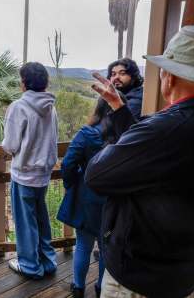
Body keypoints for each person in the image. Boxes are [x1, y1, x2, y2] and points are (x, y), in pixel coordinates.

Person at [86, 26, 194, 297]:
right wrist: (120, 110)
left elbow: (96, 175)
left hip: (144, 277)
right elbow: (155, 155)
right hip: (190, 266)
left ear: (170, 77)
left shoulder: (169, 128)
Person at [57, 93, 126, 298]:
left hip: (87, 197)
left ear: (99, 108)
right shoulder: (128, 135)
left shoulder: (87, 133)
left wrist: (72, 185)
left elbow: (68, 163)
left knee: (83, 245)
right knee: (106, 249)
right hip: (115, 200)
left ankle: (78, 288)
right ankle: (100, 289)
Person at [3, 62, 58, 279]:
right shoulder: (50, 106)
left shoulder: (19, 107)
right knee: (41, 218)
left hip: (24, 174)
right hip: (43, 174)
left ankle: (30, 266)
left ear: (24, 83)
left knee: (26, 223)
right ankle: (48, 261)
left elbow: (10, 146)